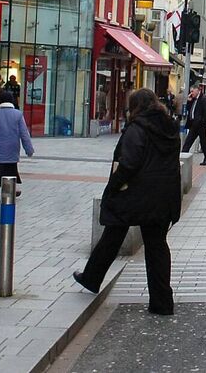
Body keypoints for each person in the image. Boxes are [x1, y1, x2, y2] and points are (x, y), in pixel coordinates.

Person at [74, 88, 180, 315]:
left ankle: (92, 277)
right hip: (164, 196)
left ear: (136, 106)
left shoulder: (137, 129)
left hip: (135, 194)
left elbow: (129, 163)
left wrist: (113, 186)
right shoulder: (169, 127)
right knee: (157, 246)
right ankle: (162, 302)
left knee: (113, 234)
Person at [0, 98, 34, 204]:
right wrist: (29, 149)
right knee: (10, 172)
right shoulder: (18, 115)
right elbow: (24, 134)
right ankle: (8, 197)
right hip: (12, 149)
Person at [182, 88, 206, 165]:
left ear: (198, 91)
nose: (191, 93)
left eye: (192, 91)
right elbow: (190, 110)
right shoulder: (194, 100)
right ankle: (183, 156)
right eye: (190, 91)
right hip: (194, 124)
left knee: (203, 142)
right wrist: (189, 101)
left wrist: (201, 121)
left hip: (200, 125)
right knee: (188, 141)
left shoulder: (203, 99)